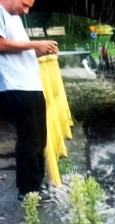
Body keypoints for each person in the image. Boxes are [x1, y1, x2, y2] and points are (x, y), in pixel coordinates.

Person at [0, 0, 58, 202]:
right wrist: (35, 44)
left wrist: (36, 51)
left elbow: (17, 48)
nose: (26, 10)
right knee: (29, 138)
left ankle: (36, 185)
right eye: (24, 4)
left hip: (31, 84)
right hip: (15, 84)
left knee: (39, 137)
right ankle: (28, 191)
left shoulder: (15, 17)